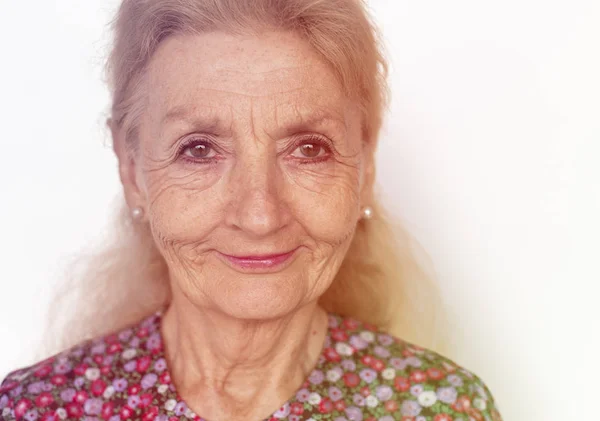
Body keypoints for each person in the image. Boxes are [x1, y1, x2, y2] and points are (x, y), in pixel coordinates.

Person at [0, 0, 503, 420]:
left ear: (365, 165)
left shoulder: (441, 407)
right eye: (199, 149)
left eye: (309, 149)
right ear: (132, 170)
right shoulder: (35, 408)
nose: (260, 216)